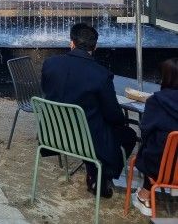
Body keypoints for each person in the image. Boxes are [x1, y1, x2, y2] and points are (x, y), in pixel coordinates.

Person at [42, 23, 137, 198]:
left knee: (94, 124)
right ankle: (102, 176)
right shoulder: (101, 75)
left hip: (54, 135)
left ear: (71, 43)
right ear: (95, 47)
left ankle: (94, 172)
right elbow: (114, 116)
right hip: (87, 140)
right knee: (128, 134)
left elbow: (48, 92)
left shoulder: (49, 64)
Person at [132, 58, 178, 215]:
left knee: (152, 147)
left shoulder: (156, 101)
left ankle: (144, 196)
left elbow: (145, 131)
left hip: (160, 169)